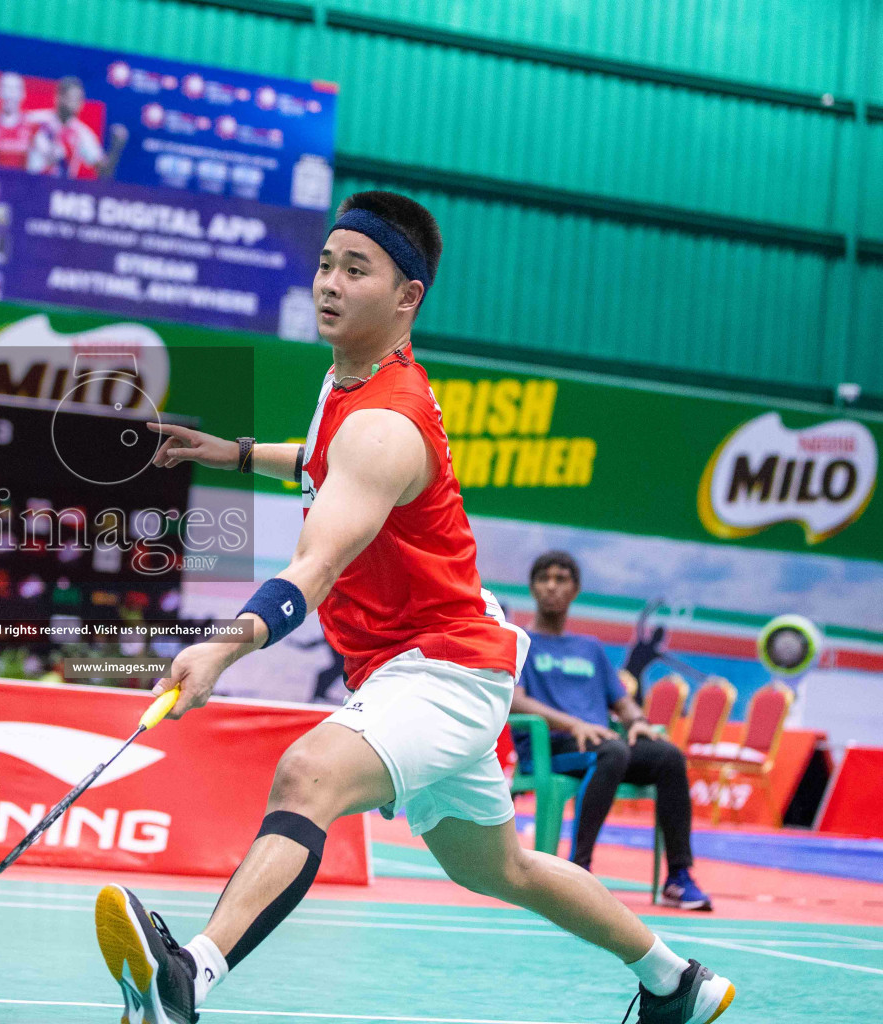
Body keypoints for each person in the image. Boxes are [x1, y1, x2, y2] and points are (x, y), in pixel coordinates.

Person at [93, 191, 735, 1024]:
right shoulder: (349, 384)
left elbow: (317, 562)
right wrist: (237, 451)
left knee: (309, 773)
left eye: (356, 270)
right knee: (500, 869)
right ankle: (675, 980)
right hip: (425, 663)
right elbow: (321, 460)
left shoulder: (385, 426)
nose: (330, 283)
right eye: (326, 263)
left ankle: (188, 974)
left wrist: (222, 649)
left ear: (408, 297)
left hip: (442, 665)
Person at [517, 550, 712, 911]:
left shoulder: (589, 648)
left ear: (575, 590)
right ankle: (579, 871)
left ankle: (679, 878)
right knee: (613, 750)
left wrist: (637, 721)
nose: (552, 586)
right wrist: (572, 723)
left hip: (603, 747)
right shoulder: (520, 642)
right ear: (533, 588)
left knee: (667, 756)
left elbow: (622, 702)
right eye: (544, 578)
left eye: (561, 579)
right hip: (554, 749)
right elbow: (515, 700)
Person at [25, 76, 127, 179]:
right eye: (71, 98)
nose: (76, 104)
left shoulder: (82, 133)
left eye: (79, 99)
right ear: (59, 97)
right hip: (28, 184)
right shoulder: (35, 120)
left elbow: (103, 171)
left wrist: (116, 147)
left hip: (60, 190)